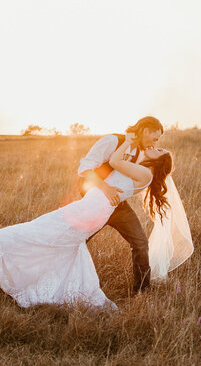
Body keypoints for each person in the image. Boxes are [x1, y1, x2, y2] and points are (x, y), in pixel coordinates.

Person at [0, 134, 172, 309]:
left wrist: (128, 141)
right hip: (92, 205)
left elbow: (116, 162)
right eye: (156, 142)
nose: (155, 146)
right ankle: (54, 286)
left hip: (93, 209)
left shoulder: (145, 172)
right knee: (64, 245)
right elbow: (98, 167)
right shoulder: (135, 160)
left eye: (159, 149)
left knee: (40, 229)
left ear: (159, 161)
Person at [74, 116, 164, 294]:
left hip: (118, 206)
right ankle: (70, 282)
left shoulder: (140, 154)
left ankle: (142, 290)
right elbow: (84, 170)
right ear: (146, 131)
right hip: (96, 203)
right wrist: (105, 189)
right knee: (78, 240)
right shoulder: (112, 141)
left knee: (140, 242)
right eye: (154, 138)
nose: (154, 143)